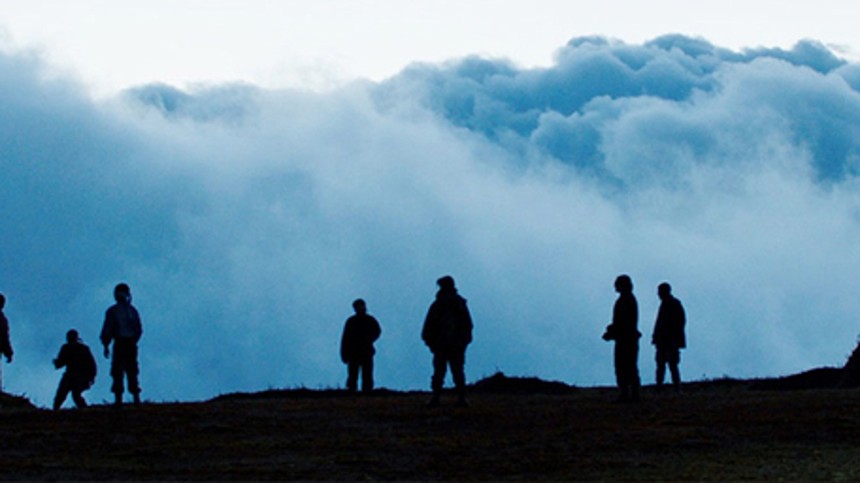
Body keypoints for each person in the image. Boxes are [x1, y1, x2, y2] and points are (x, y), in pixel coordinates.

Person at [422, 275, 473, 407]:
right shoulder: (448, 304)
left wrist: (430, 340)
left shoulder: (449, 304)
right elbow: (468, 325)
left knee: (448, 371)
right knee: (450, 371)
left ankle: (449, 398)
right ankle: (452, 398)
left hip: (450, 344)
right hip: (446, 344)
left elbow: (467, 325)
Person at [100, 283, 143, 407]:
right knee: (129, 370)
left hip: (122, 344)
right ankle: (133, 398)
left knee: (121, 370)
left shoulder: (114, 311)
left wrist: (106, 344)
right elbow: (138, 329)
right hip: (129, 344)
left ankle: (122, 399)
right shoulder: (132, 311)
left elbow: (107, 329)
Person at [602, 274, 641, 402]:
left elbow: (624, 323)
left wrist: (612, 331)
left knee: (625, 366)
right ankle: (631, 393)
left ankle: (628, 393)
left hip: (626, 339)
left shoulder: (626, 300)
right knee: (627, 366)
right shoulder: (627, 300)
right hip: (626, 338)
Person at [340, 298, 382, 393]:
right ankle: (352, 392)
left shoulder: (370, 320)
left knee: (367, 374)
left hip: (366, 351)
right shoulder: (351, 321)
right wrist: (344, 354)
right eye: (357, 307)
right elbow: (345, 339)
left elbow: (377, 331)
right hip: (353, 352)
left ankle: (367, 392)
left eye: (360, 306)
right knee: (353, 375)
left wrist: (369, 339)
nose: (359, 308)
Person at [651, 282, 686, 392]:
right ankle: (662, 386)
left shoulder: (673, 304)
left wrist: (674, 337)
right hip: (663, 340)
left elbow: (679, 322)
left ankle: (675, 387)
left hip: (670, 340)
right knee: (662, 365)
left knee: (671, 365)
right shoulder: (666, 304)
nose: (658, 294)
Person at [52, 329, 97, 410]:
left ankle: (84, 410)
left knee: (74, 395)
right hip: (72, 375)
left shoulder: (81, 349)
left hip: (79, 376)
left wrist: (91, 377)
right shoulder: (67, 348)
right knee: (62, 395)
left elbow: (91, 364)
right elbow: (61, 362)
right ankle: (56, 410)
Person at [0, 293, 13, 392]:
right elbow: (4, 337)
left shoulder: (2, 320)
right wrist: (8, 353)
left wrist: (8, 352)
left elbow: (4, 337)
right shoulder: (2, 320)